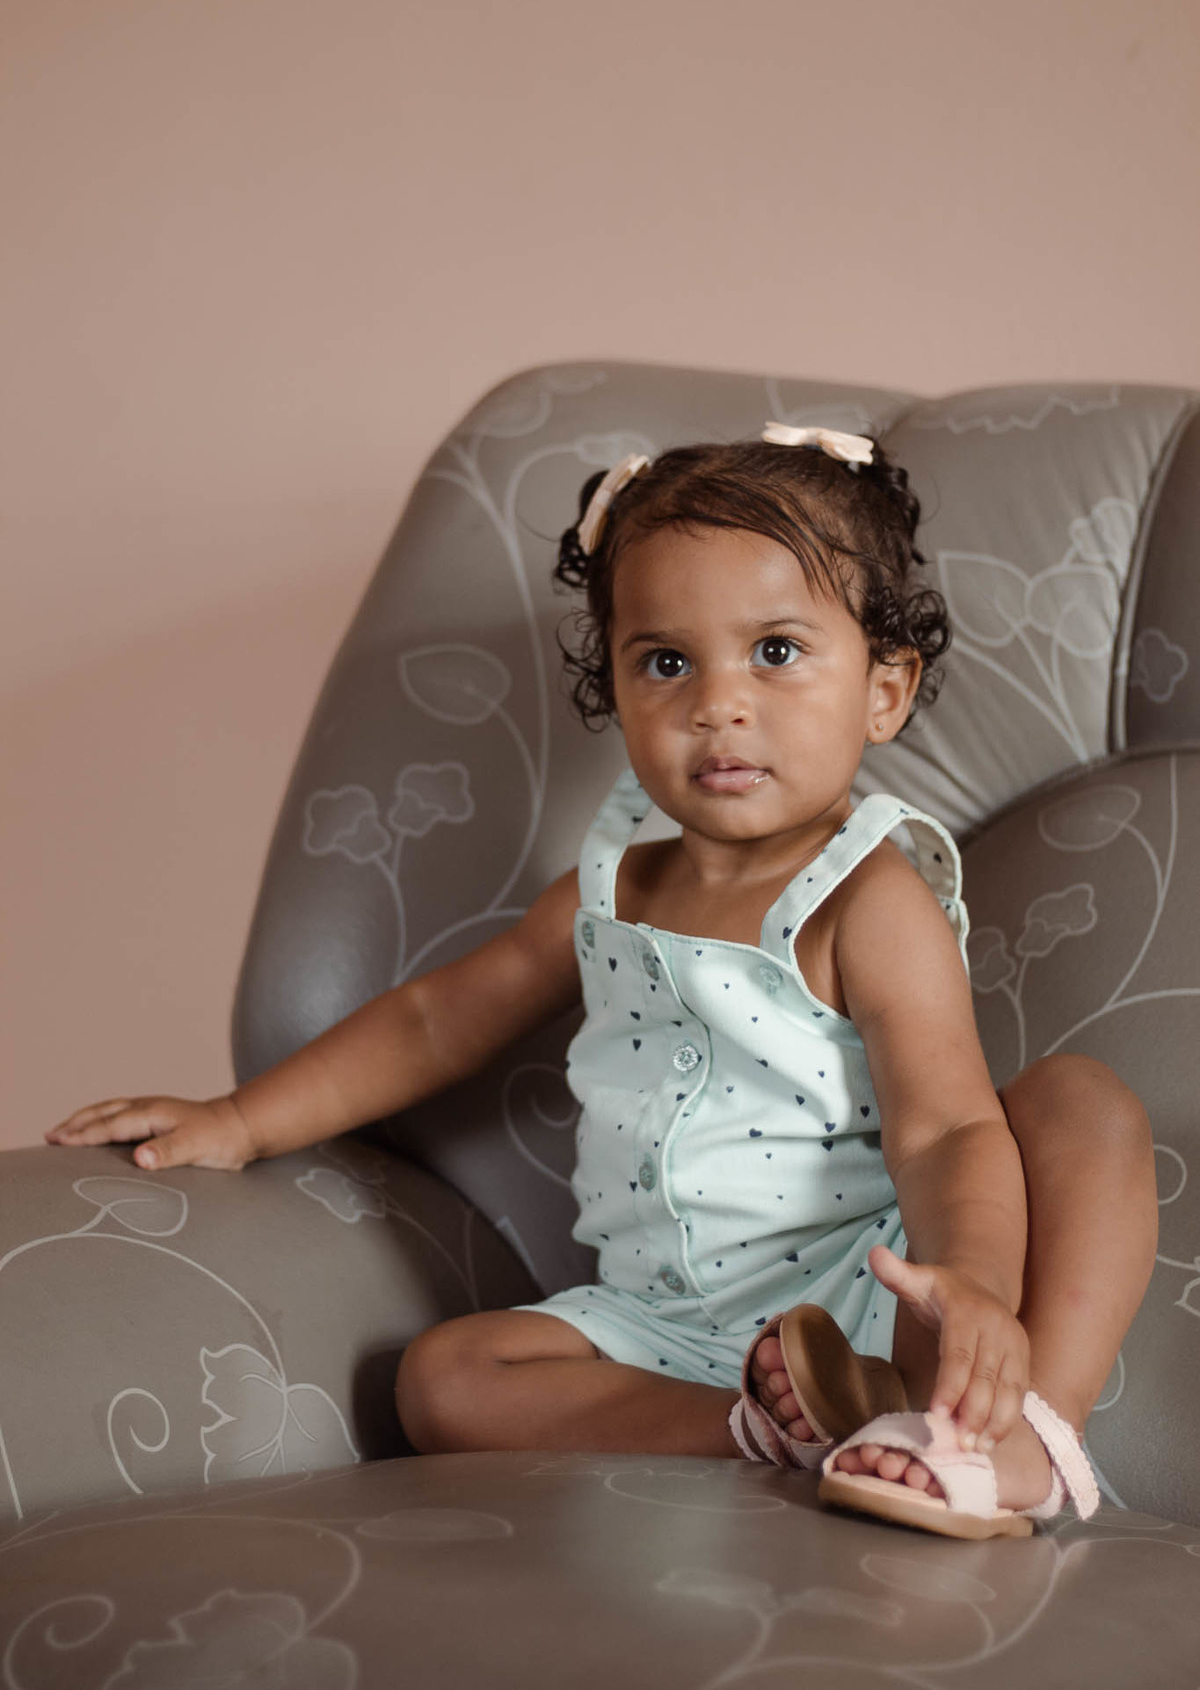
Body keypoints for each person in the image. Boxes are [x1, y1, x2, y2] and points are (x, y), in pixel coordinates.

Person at [45, 424, 1158, 1540]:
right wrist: (240, 1120)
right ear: (616, 688)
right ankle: (770, 1428)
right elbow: (438, 1020)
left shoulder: (865, 898)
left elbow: (945, 1132)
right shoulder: (608, 886)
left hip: (875, 1288)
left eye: (775, 651)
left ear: (885, 689)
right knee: (444, 1377)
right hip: (665, 1325)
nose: (718, 703)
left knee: (1079, 1105)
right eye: (666, 661)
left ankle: (1014, 1439)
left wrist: (964, 1279)